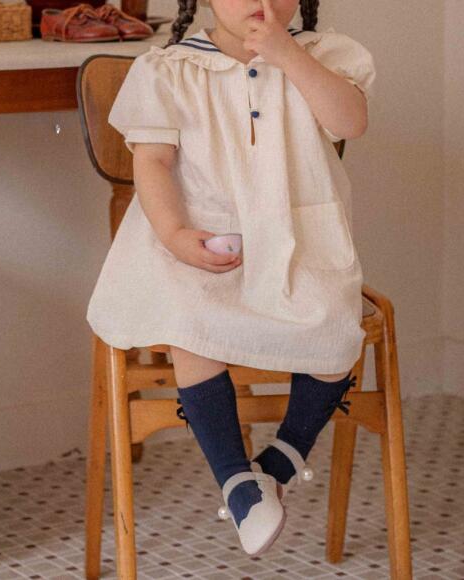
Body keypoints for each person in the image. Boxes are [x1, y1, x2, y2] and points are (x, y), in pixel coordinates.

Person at [86, 0, 376, 557]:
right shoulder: (170, 69)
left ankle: (279, 462)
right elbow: (152, 162)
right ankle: (236, 481)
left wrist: (289, 56)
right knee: (191, 324)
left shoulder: (324, 55)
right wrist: (174, 233)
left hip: (298, 246)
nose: (262, 3)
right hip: (202, 243)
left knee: (338, 331)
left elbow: (351, 123)